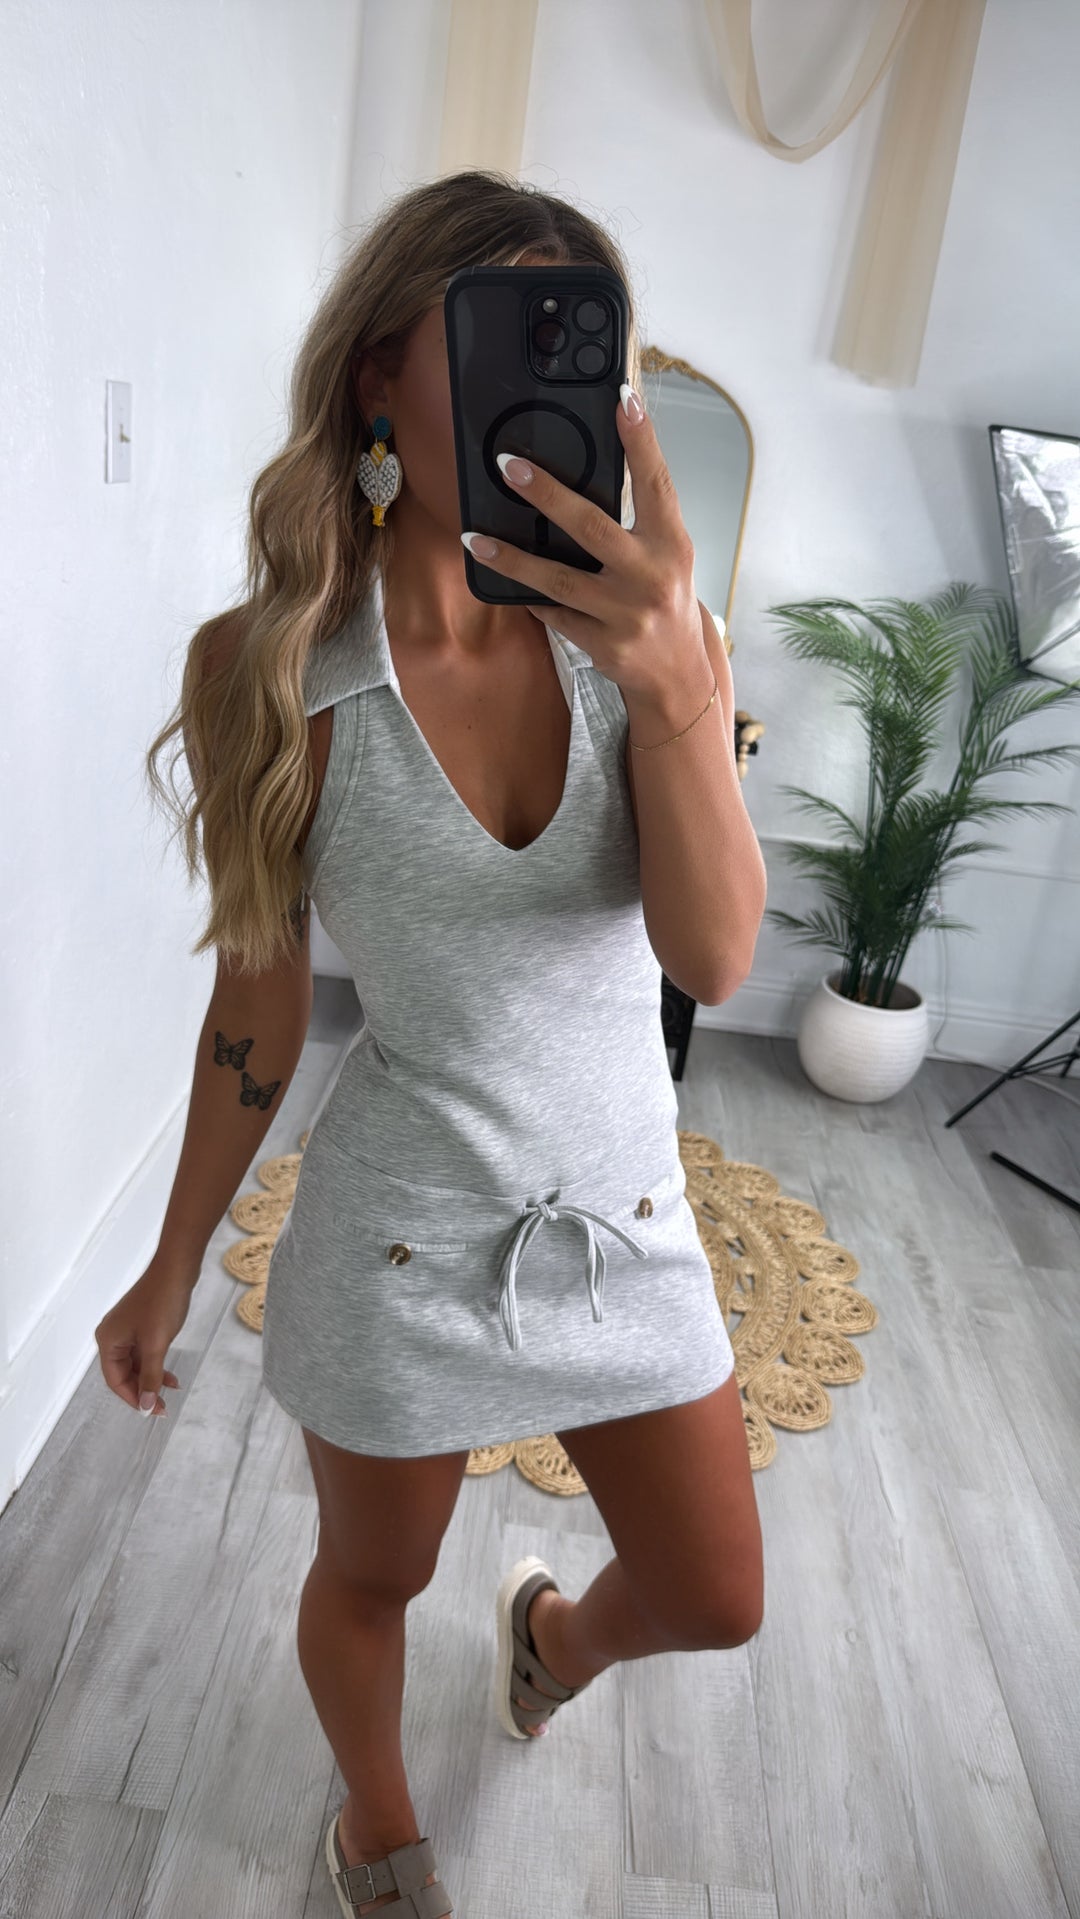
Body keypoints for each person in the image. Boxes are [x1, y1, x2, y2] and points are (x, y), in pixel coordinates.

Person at [96, 169, 766, 1918]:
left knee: (715, 1595)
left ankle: (551, 1641)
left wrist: (677, 684)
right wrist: (170, 1263)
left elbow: (713, 956)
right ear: (380, 373)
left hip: (623, 1220)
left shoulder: (652, 648)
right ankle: (379, 1834)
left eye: (567, 347)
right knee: (371, 1580)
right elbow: (257, 1007)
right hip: (395, 1243)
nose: (523, 390)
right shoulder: (269, 673)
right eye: (483, 340)